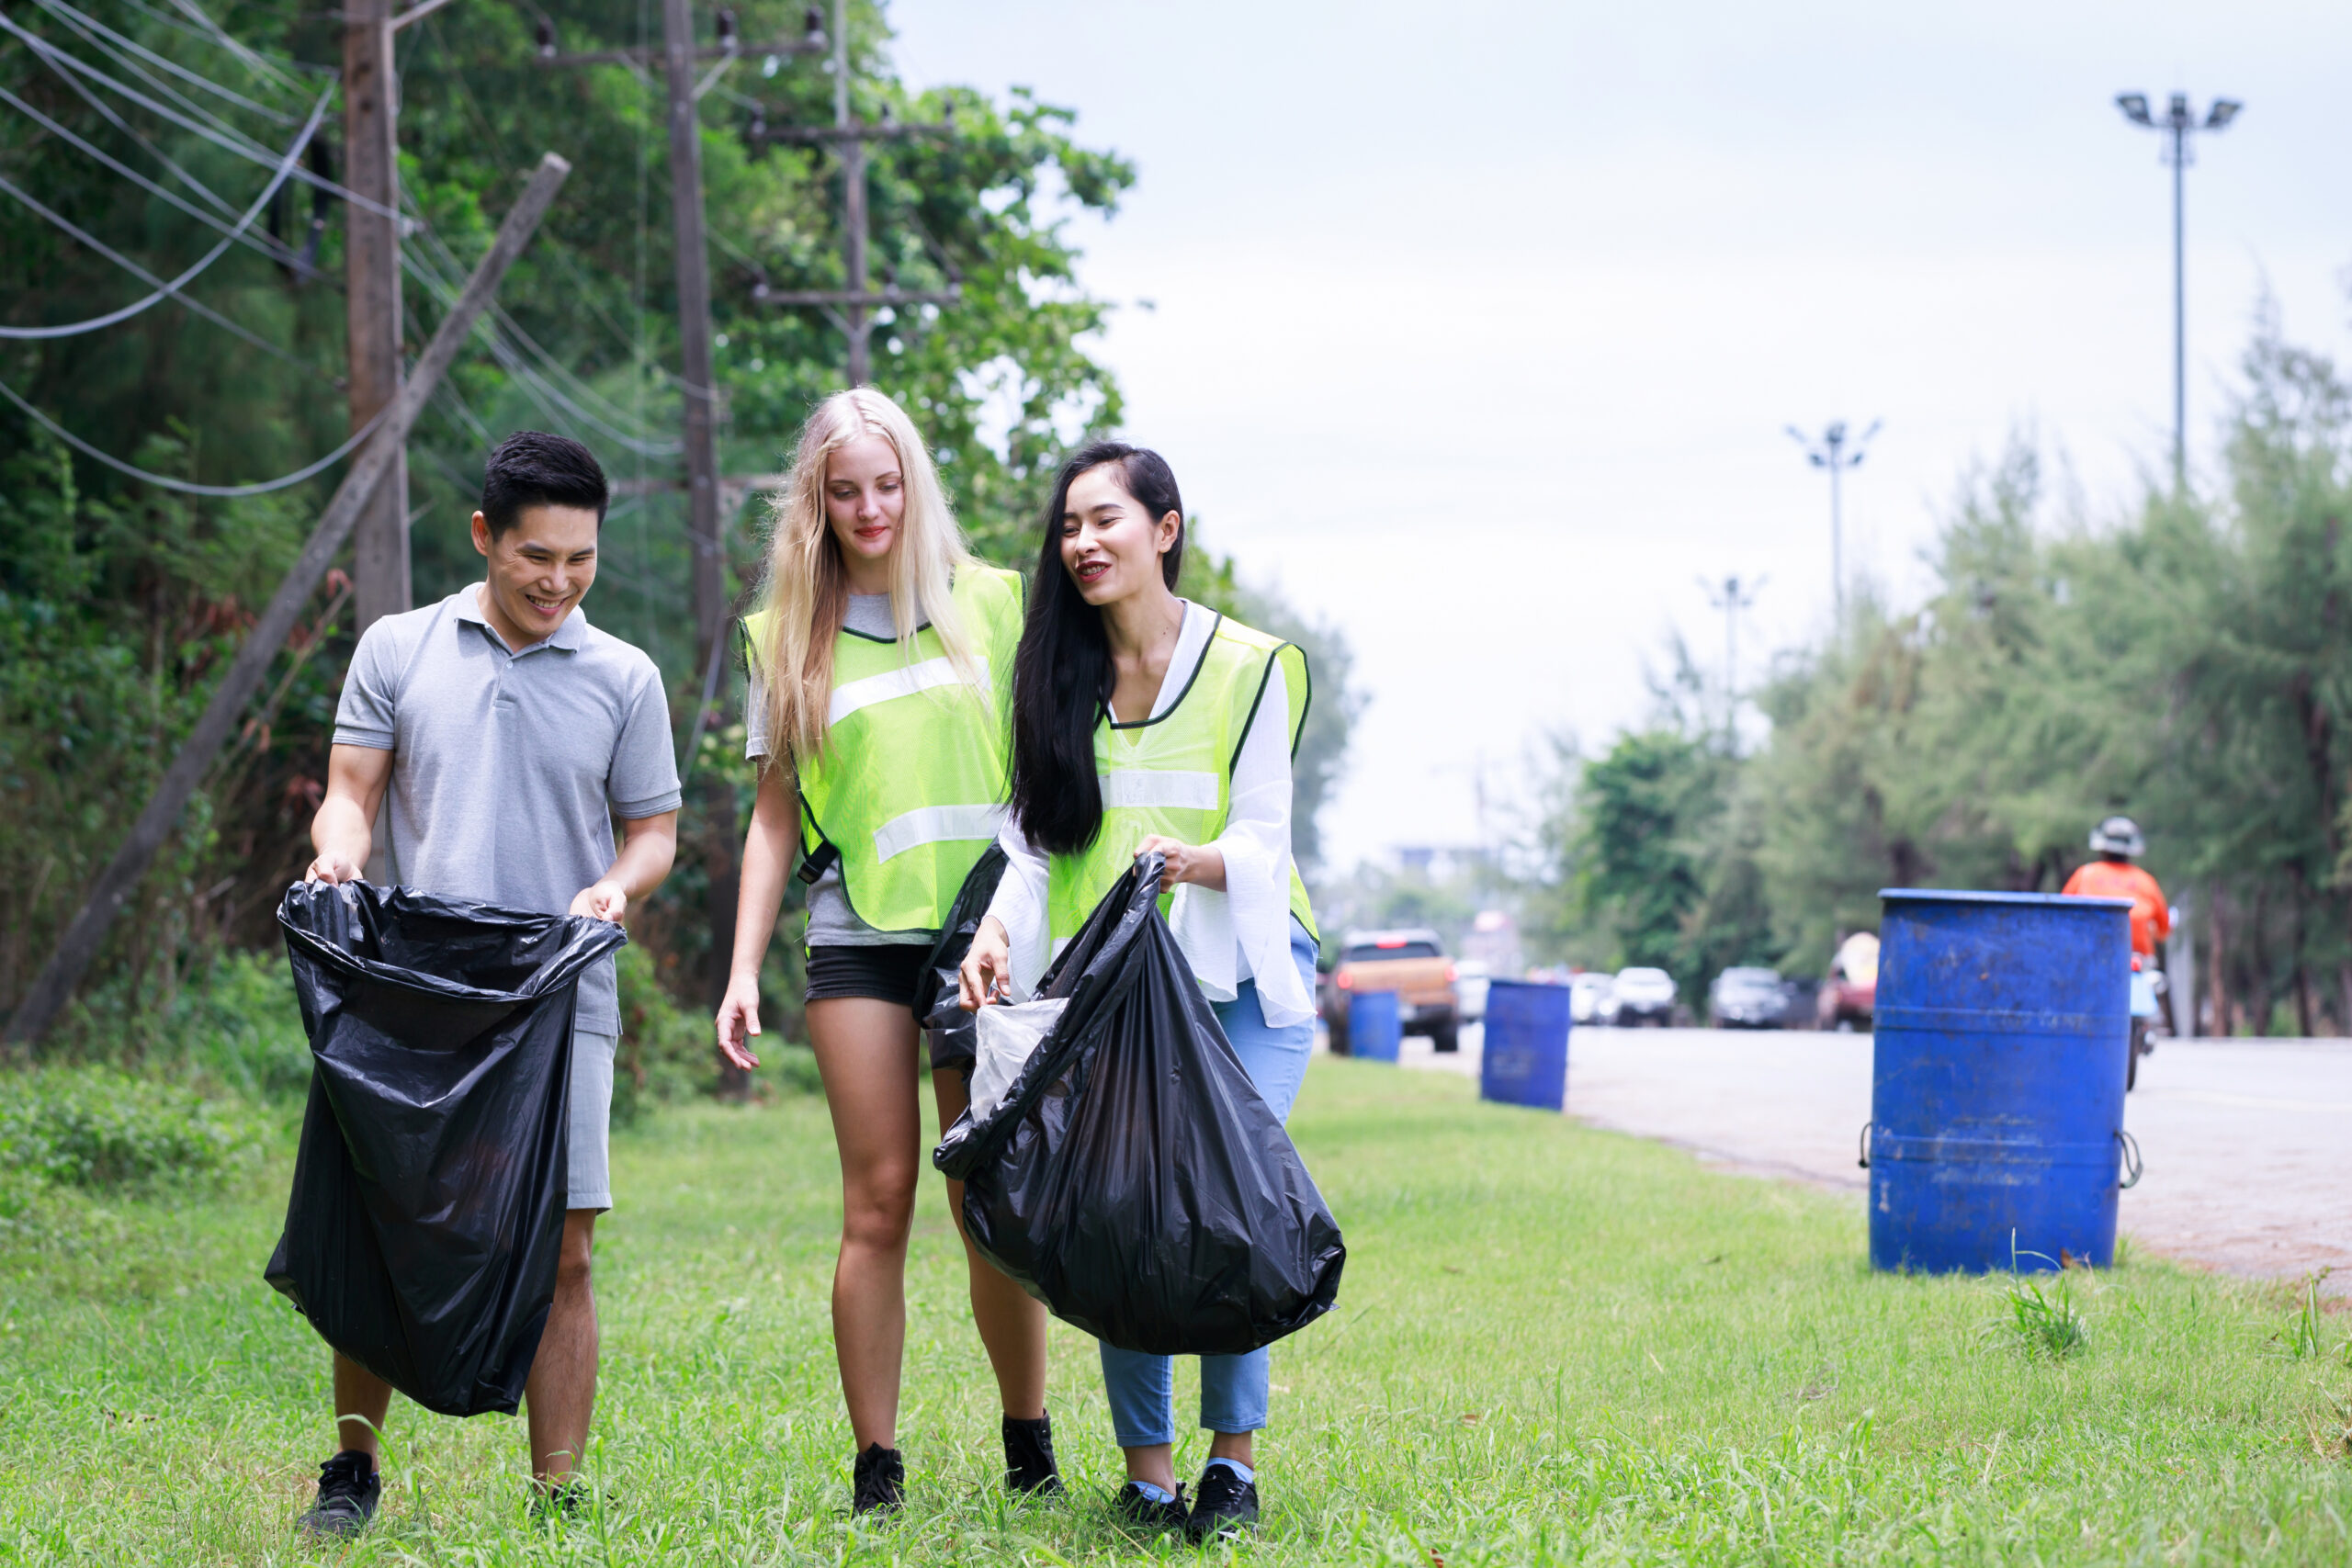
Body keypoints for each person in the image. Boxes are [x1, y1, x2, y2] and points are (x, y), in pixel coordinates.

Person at [297, 431, 682, 1535]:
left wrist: (614, 887)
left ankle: (556, 1492)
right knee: (386, 1224)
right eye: (534, 557)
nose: (558, 581)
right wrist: (338, 849)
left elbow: (652, 830)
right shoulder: (399, 647)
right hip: (414, 995)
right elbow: (350, 791)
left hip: (563, 999)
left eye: (580, 559)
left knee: (566, 1242)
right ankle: (352, 1470)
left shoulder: (624, 677)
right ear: (483, 538)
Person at [956, 440, 1319, 1543]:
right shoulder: (1054, 675)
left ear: (1164, 529)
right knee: (1125, 1211)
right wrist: (992, 933)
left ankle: (1235, 1467)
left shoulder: (1253, 664)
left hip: (1244, 981)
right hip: (1117, 994)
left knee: (1222, 1210)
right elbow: (1031, 845)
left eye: (1104, 520)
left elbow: (1261, 836)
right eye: (1068, 526)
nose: (1081, 544)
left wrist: (1184, 860)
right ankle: (1150, 1478)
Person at [713, 388, 1052, 1517]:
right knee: (880, 1201)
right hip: (857, 935)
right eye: (845, 490)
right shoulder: (783, 637)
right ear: (815, 501)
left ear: (916, 484)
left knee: (986, 1200)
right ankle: (877, 1467)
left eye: (887, 484)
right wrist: (739, 967)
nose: (869, 508)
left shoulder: (993, 604)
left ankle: (1027, 1439)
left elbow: (1049, 775)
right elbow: (772, 815)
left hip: (983, 946)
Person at [2061, 816, 2171, 962]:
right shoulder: (2145, 881)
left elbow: (2061, 917)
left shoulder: (2085, 875)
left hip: (2090, 959)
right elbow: (2164, 928)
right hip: (2138, 962)